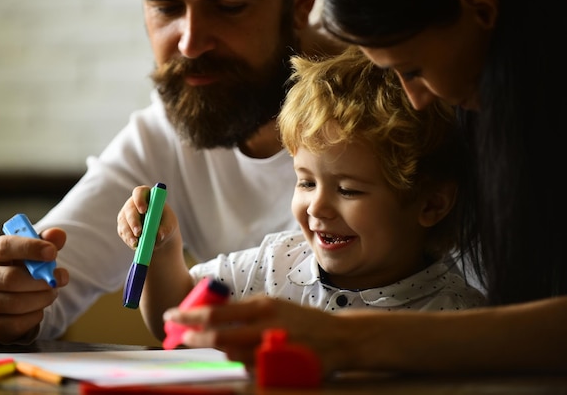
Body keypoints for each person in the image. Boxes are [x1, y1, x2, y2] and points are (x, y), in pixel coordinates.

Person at [161, 0, 567, 375]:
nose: (418, 98)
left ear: (480, 10)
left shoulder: (453, 298)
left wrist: (349, 340)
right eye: (305, 181)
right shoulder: (276, 262)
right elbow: (175, 312)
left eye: (412, 68)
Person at [0, 0, 346, 345]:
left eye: (228, 6)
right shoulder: (171, 129)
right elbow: (43, 267)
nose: (190, 44)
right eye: (167, 8)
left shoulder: (395, 100)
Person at [117, 46, 485, 341]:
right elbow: (180, 321)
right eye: (306, 183)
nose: (318, 207)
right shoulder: (273, 263)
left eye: (348, 190)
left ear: (432, 203)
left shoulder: (458, 319)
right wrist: (164, 249)